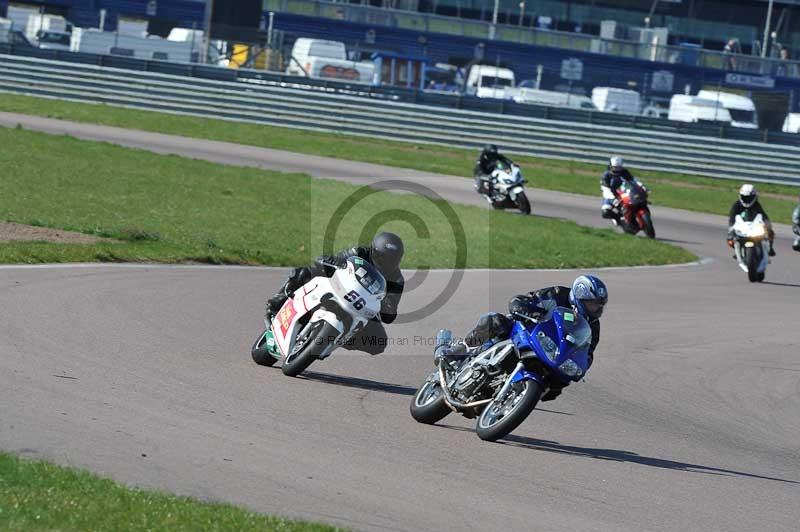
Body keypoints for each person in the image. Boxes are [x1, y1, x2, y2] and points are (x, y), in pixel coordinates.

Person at [439, 275, 608, 403]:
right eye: (592, 304)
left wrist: (582, 365)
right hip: (526, 332)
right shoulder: (556, 295)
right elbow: (521, 300)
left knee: (558, 381)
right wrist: (527, 311)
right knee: (493, 321)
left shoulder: (593, 326)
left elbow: (587, 352)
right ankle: (459, 350)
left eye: (599, 305)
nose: (596, 309)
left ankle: (512, 398)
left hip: (550, 351)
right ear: (579, 297)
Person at [265, 232, 405, 355]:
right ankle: (280, 297)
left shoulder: (397, 280)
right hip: (339, 288)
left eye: (393, 260)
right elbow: (336, 260)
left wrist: (387, 307)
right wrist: (329, 261)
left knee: (379, 342)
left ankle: (335, 339)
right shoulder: (359, 252)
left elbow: (390, 312)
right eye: (384, 258)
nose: (388, 263)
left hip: (361, 307)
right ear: (374, 251)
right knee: (304, 272)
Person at [727, 184, 775, 257]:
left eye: (749, 198)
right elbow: (732, 217)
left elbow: (764, 216)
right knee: (730, 238)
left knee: (770, 232)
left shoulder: (756, 205)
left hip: (753, 226)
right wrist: (731, 227)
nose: (747, 200)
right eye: (745, 197)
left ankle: (770, 248)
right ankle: (737, 250)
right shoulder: (736, 205)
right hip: (741, 227)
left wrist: (767, 225)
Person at [600, 156, 636, 223]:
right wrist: (613, 199)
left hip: (624, 193)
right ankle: (618, 218)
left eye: (619, 168)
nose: (617, 170)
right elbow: (605, 189)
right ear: (610, 166)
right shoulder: (606, 175)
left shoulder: (625, 172)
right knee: (605, 212)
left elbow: (633, 181)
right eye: (615, 167)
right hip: (611, 196)